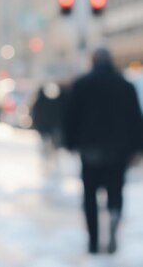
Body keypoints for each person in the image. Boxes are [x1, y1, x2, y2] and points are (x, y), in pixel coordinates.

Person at [64, 47, 143, 254]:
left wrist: (70, 143)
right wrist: (137, 148)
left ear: (93, 61)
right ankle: (114, 213)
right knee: (115, 191)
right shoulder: (125, 86)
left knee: (90, 197)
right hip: (119, 151)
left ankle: (93, 241)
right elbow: (136, 119)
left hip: (89, 150)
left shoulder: (81, 85)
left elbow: (71, 117)